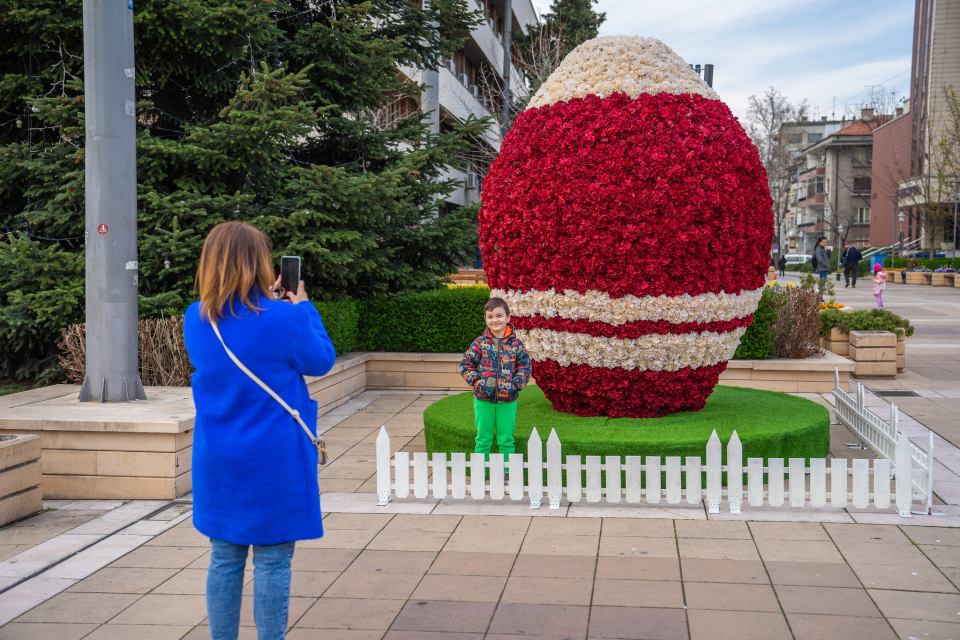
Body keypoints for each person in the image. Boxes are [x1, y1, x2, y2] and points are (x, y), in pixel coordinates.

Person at [184, 221, 336, 640]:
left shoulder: (195, 319)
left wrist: (264, 305)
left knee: (224, 557)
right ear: (260, 263)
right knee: (272, 561)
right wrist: (301, 305)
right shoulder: (285, 318)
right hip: (274, 458)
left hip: (218, 457)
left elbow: (239, 334)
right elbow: (321, 360)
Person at [460, 298, 532, 479]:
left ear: (508, 317)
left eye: (499, 315)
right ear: (485, 319)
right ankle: (479, 475)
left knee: (506, 439)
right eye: (490, 316)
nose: (495, 320)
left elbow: (525, 367)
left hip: (507, 401)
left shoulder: (517, 345)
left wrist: (515, 385)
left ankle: (508, 475)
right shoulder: (479, 343)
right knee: (483, 439)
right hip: (482, 400)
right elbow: (466, 364)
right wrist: (477, 382)